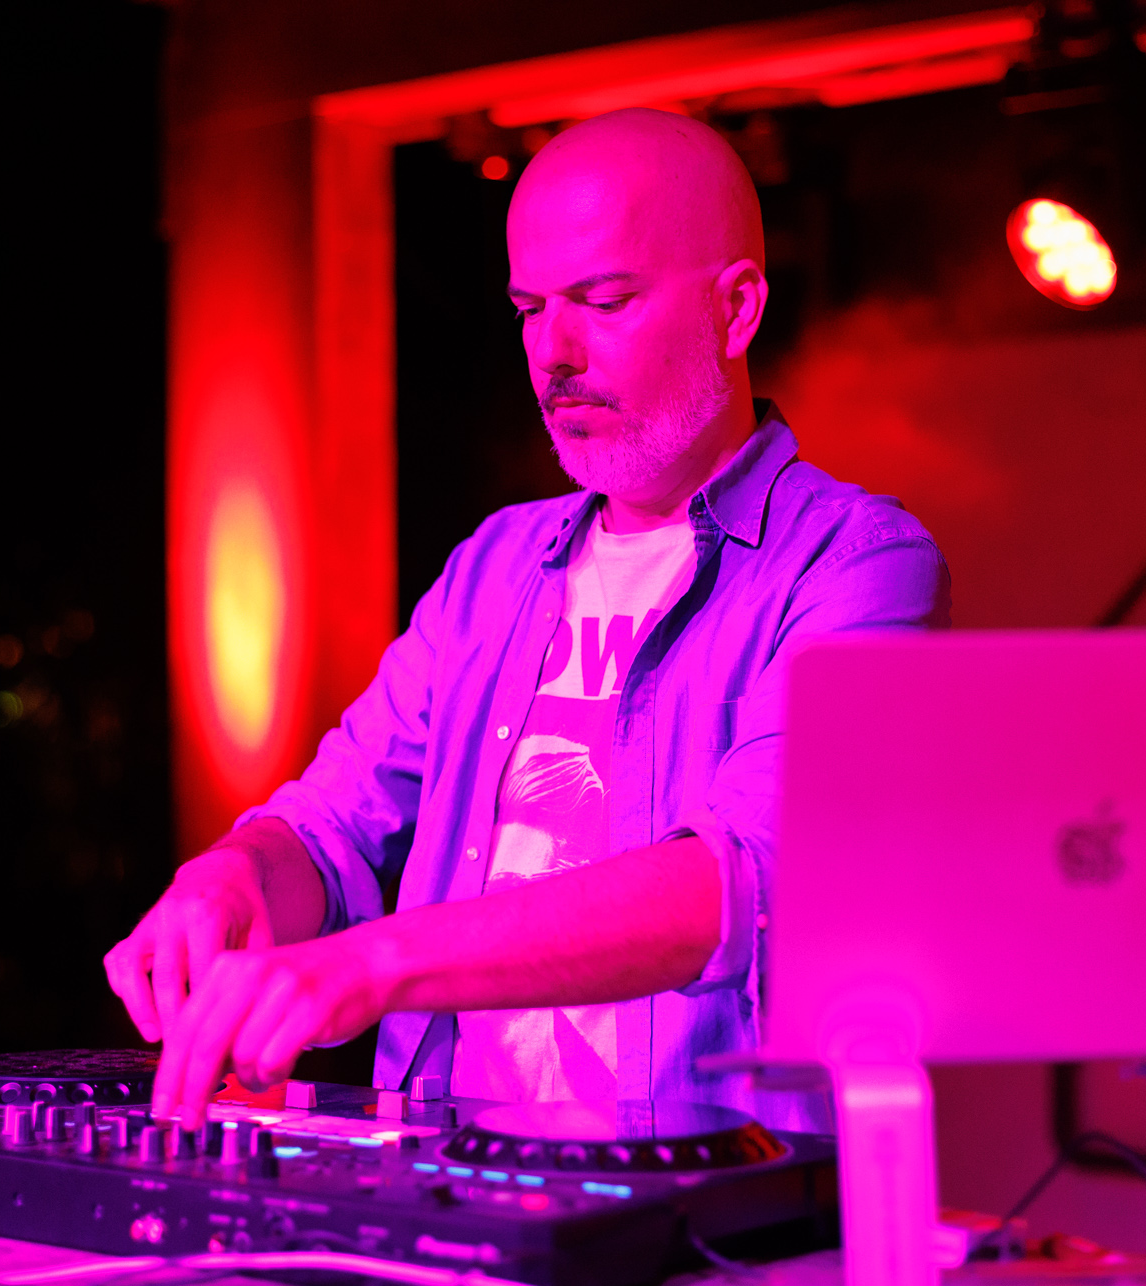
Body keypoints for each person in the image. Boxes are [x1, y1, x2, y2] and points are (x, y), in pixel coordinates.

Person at [106, 107, 950, 1132]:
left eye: (603, 300)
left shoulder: (857, 562)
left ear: (734, 311)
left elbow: (743, 879)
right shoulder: (494, 567)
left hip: (706, 1200)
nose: (552, 351)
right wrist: (234, 875)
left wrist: (375, 964)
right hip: (448, 1174)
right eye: (528, 308)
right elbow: (333, 830)